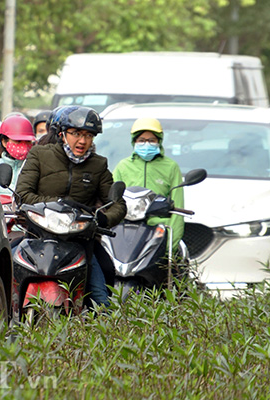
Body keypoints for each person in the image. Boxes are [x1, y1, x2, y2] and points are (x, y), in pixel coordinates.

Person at [15, 105, 126, 309]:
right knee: (1, 273)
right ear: (62, 134)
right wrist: (60, 206)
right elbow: (23, 194)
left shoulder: (98, 165)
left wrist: (103, 218)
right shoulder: (39, 155)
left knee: (102, 299)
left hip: (80, 242)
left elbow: (117, 204)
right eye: (76, 133)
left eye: (89, 135)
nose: (82, 141)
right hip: (38, 237)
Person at [112, 117, 185, 252]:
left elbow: (178, 207)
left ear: (159, 141)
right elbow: (113, 202)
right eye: (142, 140)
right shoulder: (123, 166)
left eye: (151, 140)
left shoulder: (171, 167)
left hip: (159, 231)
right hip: (128, 231)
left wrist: (170, 245)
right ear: (134, 141)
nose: (146, 144)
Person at [0, 114, 35, 195]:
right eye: (18, 141)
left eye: (27, 141)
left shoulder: (36, 168)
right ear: (4, 142)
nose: (23, 146)